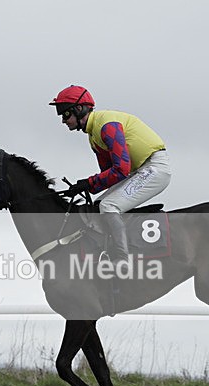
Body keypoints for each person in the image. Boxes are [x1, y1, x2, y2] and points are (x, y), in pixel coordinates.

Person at [49, 85, 171, 263]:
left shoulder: (106, 125)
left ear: (79, 109)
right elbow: (109, 175)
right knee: (99, 204)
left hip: (154, 167)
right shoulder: (93, 136)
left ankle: (123, 260)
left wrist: (89, 183)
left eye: (65, 114)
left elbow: (121, 170)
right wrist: (81, 187)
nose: (63, 121)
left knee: (109, 206)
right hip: (139, 171)